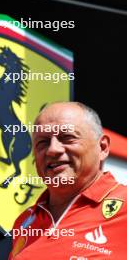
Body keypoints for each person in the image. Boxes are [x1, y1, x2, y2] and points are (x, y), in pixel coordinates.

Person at [8, 101, 127, 260]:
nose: (52, 149)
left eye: (67, 137)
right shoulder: (24, 221)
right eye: (42, 142)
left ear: (103, 147)